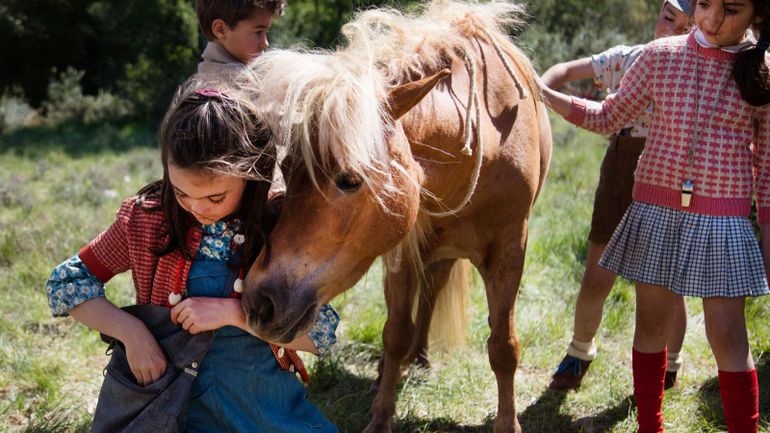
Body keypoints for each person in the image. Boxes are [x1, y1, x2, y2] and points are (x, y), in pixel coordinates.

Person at [45, 76, 340, 433]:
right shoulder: (147, 219)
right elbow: (66, 282)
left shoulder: (279, 226)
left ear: (252, 176)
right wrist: (132, 334)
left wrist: (235, 314)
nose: (196, 208)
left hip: (265, 413)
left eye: (215, 198)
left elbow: (320, 334)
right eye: (181, 193)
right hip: (170, 412)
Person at [540, 0, 769, 431]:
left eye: (732, 9)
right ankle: (650, 425)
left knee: (728, 336)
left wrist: (768, 241)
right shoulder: (660, 56)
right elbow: (609, 115)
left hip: (724, 222)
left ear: (757, 14)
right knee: (650, 324)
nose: (712, 20)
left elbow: (768, 171)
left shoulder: (763, 72)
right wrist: (547, 95)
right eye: (704, 4)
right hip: (656, 210)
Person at [543, 0, 693, 393]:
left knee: (668, 283)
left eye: (685, 26)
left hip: (670, 172)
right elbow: (566, 70)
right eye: (668, 16)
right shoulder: (629, 59)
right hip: (622, 167)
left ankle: (670, 365)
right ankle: (578, 353)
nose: (671, 29)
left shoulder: (696, 71)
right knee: (596, 275)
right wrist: (540, 87)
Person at [196, 0, 285, 74]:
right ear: (221, 29)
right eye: (258, 32)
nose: (265, 43)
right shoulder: (218, 86)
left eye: (266, 32)